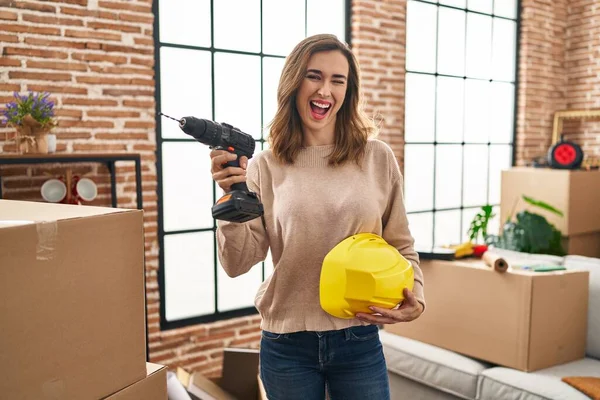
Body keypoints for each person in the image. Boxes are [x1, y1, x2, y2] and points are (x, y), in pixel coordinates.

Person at [209, 34, 425, 400]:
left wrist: (416, 296)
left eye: (337, 80)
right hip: (287, 342)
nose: (325, 89)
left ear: (348, 90)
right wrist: (231, 199)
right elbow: (238, 262)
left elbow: (400, 243)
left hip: (358, 335)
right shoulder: (265, 165)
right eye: (314, 76)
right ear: (294, 82)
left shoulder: (376, 157)